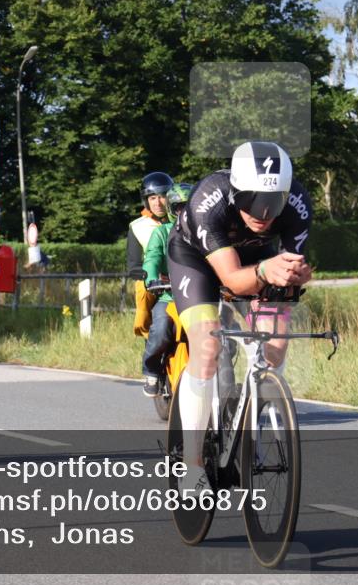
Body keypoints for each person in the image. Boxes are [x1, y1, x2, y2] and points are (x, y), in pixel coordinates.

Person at [167, 141, 313, 494]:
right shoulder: (208, 200)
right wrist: (266, 269)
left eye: (272, 203)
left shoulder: (299, 203)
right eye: (251, 201)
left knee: (275, 347)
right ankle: (191, 465)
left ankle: (249, 428)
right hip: (196, 260)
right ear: (235, 192)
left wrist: (298, 275)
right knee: (206, 347)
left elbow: (294, 269)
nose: (262, 214)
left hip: (260, 260)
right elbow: (232, 280)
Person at [141, 183, 192, 397]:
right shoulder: (161, 233)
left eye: (187, 207)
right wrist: (152, 278)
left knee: (228, 332)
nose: (183, 212)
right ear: (171, 209)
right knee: (161, 329)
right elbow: (152, 258)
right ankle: (151, 370)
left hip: (203, 298)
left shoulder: (206, 233)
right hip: (170, 296)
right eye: (178, 208)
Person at [128, 172, 173, 378]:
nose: (158, 202)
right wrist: (152, 277)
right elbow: (134, 265)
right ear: (146, 200)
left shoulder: (184, 220)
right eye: (153, 198)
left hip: (184, 281)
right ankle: (151, 359)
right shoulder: (137, 227)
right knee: (144, 294)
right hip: (155, 284)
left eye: (162, 196)